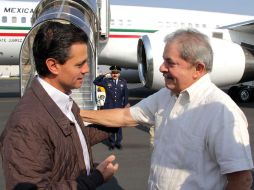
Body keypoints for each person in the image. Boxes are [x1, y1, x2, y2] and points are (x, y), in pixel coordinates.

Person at [80, 28, 254, 189]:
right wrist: (78, 114)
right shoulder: (166, 95)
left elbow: (241, 178)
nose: (162, 68)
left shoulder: (221, 112)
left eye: (170, 63)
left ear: (198, 68)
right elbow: (125, 116)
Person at [0, 21, 118, 190]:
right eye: (79, 64)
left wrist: (120, 121)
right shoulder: (26, 125)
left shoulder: (61, 99)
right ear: (53, 65)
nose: (86, 70)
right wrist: (94, 179)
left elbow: (72, 138)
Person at [93, 65, 128, 150]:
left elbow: (125, 95)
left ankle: (118, 142)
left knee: (118, 126)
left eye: (116, 73)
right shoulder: (106, 81)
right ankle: (111, 143)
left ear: (119, 74)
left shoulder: (123, 82)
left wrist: (126, 105)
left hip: (119, 107)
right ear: (111, 73)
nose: (114, 74)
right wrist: (104, 74)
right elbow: (95, 81)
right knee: (110, 125)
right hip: (109, 106)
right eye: (113, 73)